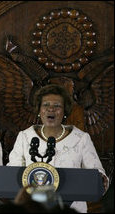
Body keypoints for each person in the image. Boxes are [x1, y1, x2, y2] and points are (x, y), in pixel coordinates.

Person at [7, 84, 109, 213]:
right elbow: (12, 173)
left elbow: (97, 174)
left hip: (71, 209)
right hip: (32, 208)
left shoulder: (81, 138)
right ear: (39, 110)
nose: (51, 109)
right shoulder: (25, 137)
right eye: (45, 105)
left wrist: (100, 178)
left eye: (57, 106)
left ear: (64, 111)